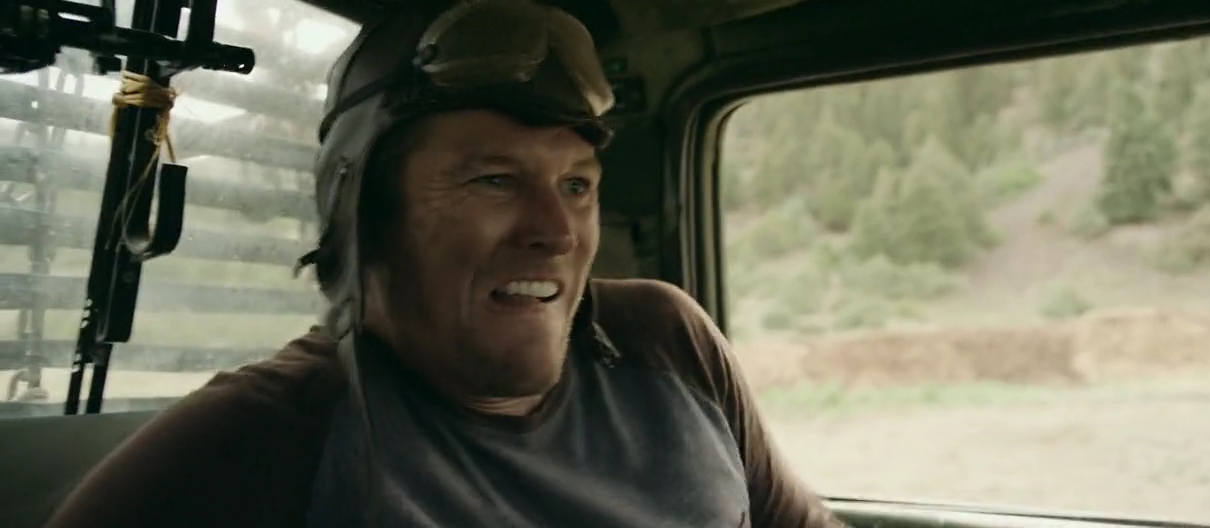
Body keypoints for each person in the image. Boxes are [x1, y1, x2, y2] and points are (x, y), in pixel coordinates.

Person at [42, 0, 841, 526]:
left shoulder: (665, 341)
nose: (557, 233)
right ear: (364, 215)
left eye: (576, 186)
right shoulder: (267, 440)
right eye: (494, 180)